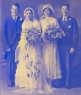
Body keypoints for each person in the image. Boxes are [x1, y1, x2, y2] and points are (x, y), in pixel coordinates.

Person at [15, 7, 54, 94]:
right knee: (25, 62)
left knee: (34, 62)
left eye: (30, 13)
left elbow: (38, 34)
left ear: (32, 14)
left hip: (34, 45)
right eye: (27, 13)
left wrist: (33, 39)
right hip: (25, 44)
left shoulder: (36, 22)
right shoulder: (24, 22)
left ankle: (35, 83)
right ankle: (27, 83)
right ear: (25, 14)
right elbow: (23, 34)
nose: (29, 15)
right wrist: (22, 43)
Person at [39, 4, 62, 88]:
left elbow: (58, 31)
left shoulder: (54, 20)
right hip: (45, 44)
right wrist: (43, 37)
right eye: (45, 11)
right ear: (43, 12)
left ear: (50, 11)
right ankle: (46, 80)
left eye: (48, 10)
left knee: (53, 59)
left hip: (52, 43)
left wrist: (53, 36)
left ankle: (53, 81)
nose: (46, 12)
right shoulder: (41, 21)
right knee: (45, 60)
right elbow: (39, 32)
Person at [58, 4, 79, 89]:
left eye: (66, 9)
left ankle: (68, 83)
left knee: (68, 65)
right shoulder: (58, 21)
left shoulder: (73, 21)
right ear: (61, 10)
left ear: (69, 10)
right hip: (60, 47)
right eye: (63, 9)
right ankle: (63, 81)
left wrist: (73, 47)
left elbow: (75, 35)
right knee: (62, 64)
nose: (64, 11)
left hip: (69, 47)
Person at [1, 3, 23, 87]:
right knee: (10, 64)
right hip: (10, 46)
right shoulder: (6, 20)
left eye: (16, 9)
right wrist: (7, 47)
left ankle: (17, 80)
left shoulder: (21, 19)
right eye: (13, 9)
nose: (15, 11)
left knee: (18, 63)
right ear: (11, 10)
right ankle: (10, 80)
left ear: (18, 11)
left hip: (19, 44)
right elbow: (3, 34)